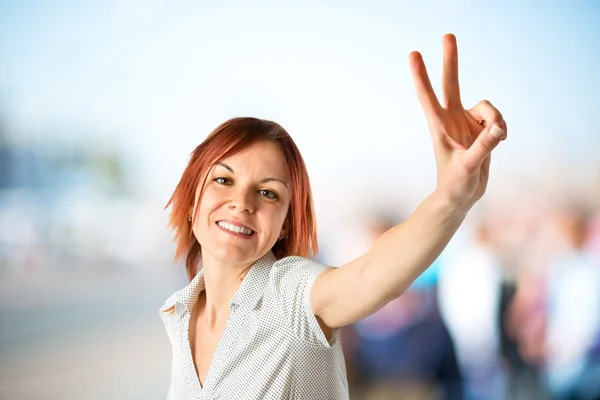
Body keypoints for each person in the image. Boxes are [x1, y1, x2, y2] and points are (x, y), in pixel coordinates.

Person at [159, 33, 508, 400]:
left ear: (286, 223)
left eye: (268, 192)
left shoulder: (289, 294)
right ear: (192, 196)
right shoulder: (179, 313)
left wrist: (450, 198)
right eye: (223, 180)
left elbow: (372, 273)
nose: (242, 201)